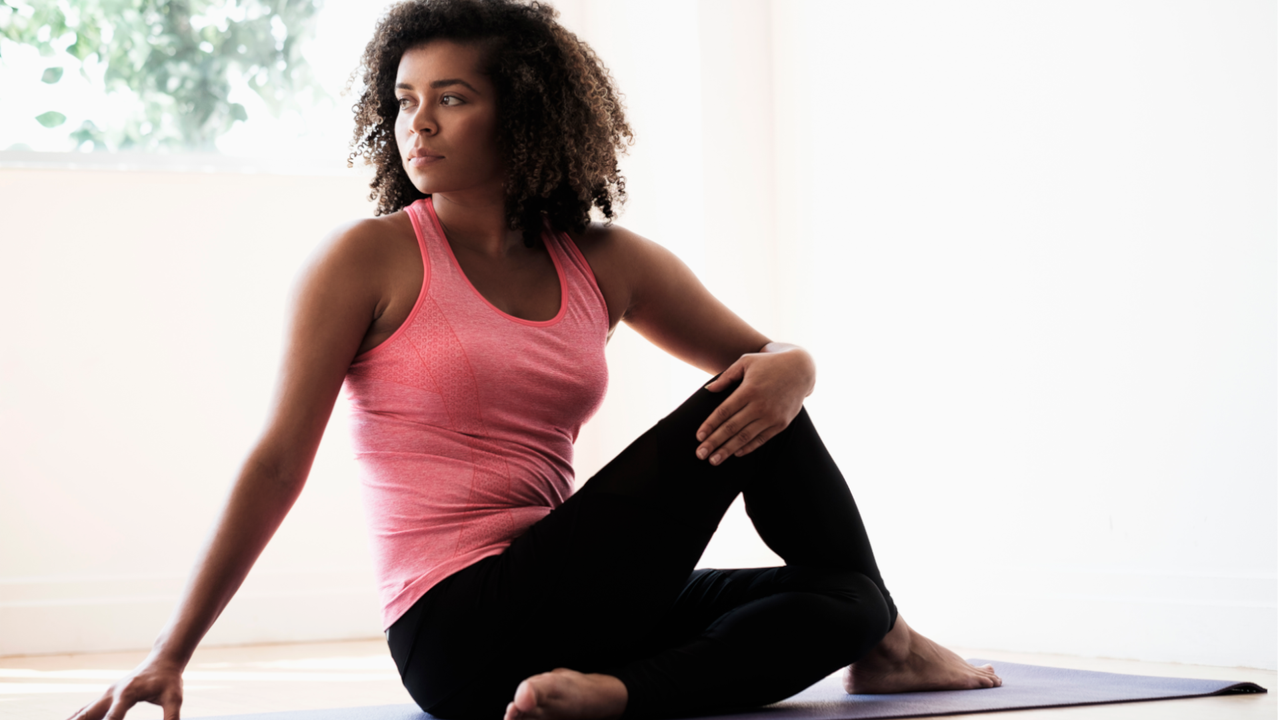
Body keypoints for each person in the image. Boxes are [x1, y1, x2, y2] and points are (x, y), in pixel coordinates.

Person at [70, 2, 1001, 719]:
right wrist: (172, 651)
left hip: (578, 605)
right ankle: (896, 645)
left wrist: (798, 364)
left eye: (451, 99)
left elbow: (769, 358)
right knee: (764, 423)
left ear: (525, 114)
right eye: (404, 102)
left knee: (841, 597)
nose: (417, 124)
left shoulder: (603, 260)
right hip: (459, 631)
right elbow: (278, 462)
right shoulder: (369, 257)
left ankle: (624, 694)